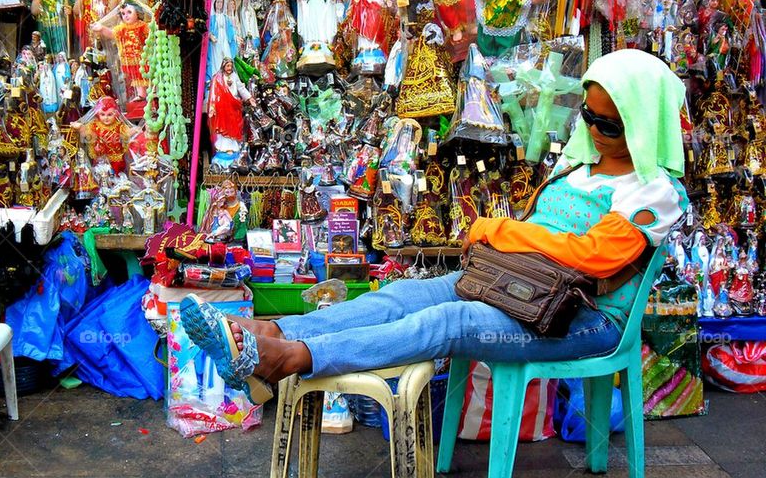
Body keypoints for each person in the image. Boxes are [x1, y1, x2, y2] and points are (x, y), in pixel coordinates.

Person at [179, 49, 690, 403]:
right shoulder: (577, 169)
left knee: (445, 323)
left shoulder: (655, 193)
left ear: (644, 122)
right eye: (590, 119)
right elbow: (555, 242)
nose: (596, 133)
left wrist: (500, 231)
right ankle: (271, 332)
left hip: (581, 319)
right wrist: (510, 237)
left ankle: (288, 357)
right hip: (517, 288)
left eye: (611, 125)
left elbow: (594, 255)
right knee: (398, 297)